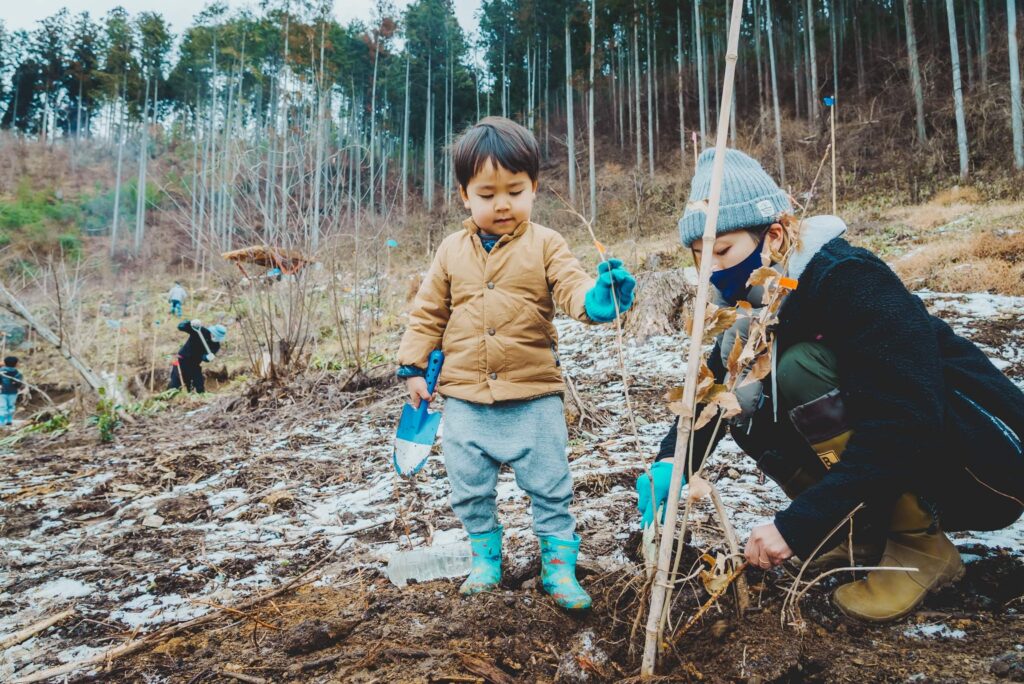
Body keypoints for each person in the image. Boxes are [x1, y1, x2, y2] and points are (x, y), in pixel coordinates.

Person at [637, 149, 1024, 623]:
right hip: (905, 455)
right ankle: (859, 533)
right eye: (701, 257)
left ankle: (919, 547)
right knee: (743, 397)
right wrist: (671, 463)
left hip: (985, 460)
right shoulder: (751, 306)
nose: (712, 271)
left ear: (774, 235)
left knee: (798, 368)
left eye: (723, 251)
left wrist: (799, 525)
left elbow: (906, 420)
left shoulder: (849, 279)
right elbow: (715, 392)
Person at [397, 117, 636, 611]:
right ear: (465, 195)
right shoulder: (450, 251)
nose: (502, 204)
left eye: (515, 191)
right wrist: (414, 368)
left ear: (534, 188)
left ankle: (558, 568)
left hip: (534, 396)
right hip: (465, 399)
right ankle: (486, 562)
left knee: (550, 486)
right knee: (468, 488)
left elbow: (571, 287)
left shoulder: (546, 244)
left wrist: (596, 300)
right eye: (487, 194)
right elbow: (428, 312)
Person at [169, 320, 226, 393]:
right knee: (175, 385)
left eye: (217, 337)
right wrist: (189, 323)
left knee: (199, 386)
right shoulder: (200, 330)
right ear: (211, 331)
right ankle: (169, 397)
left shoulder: (216, 345)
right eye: (214, 335)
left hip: (194, 364)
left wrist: (207, 358)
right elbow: (181, 327)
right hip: (181, 360)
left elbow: (205, 358)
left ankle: (196, 397)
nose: (214, 338)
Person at [0, 356, 24, 426]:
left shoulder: (1, 371)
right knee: (11, 406)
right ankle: (9, 421)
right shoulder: (17, 373)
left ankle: (1, 422)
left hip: (2, 392)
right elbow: (19, 384)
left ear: (5, 363)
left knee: (2, 407)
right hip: (13, 392)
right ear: (16, 364)